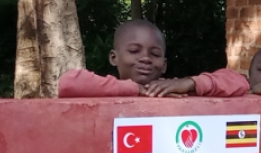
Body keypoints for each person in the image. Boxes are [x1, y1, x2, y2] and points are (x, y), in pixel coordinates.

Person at [59, 19, 249, 98]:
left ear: (164, 65)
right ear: (114, 57)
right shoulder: (106, 90)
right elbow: (68, 83)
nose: (146, 59)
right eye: (134, 50)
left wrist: (190, 83)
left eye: (155, 54)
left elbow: (239, 82)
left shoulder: (172, 91)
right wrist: (136, 89)